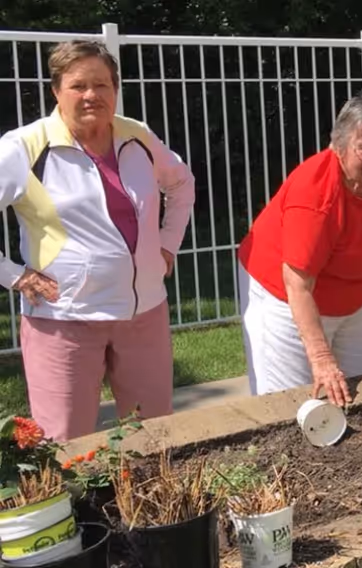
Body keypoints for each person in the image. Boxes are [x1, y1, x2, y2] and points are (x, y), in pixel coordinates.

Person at [0, 40, 196, 442]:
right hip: (65, 319)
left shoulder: (136, 134)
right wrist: (13, 276)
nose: (92, 95)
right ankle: (74, 508)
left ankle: (146, 505)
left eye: (103, 85)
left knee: (154, 436)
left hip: (144, 314)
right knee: (65, 443)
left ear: (116, 89)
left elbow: (181, 184)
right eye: (78, 86)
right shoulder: (23, 147)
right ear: (56, 91)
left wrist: (166, 244)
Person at [237, 96, 362, 405]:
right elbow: (297, 283)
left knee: (360, 394)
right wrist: (321, 358)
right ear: (339, 145)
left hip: (352, 300)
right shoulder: (315, 194)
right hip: (284, 298)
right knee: (294, 404)